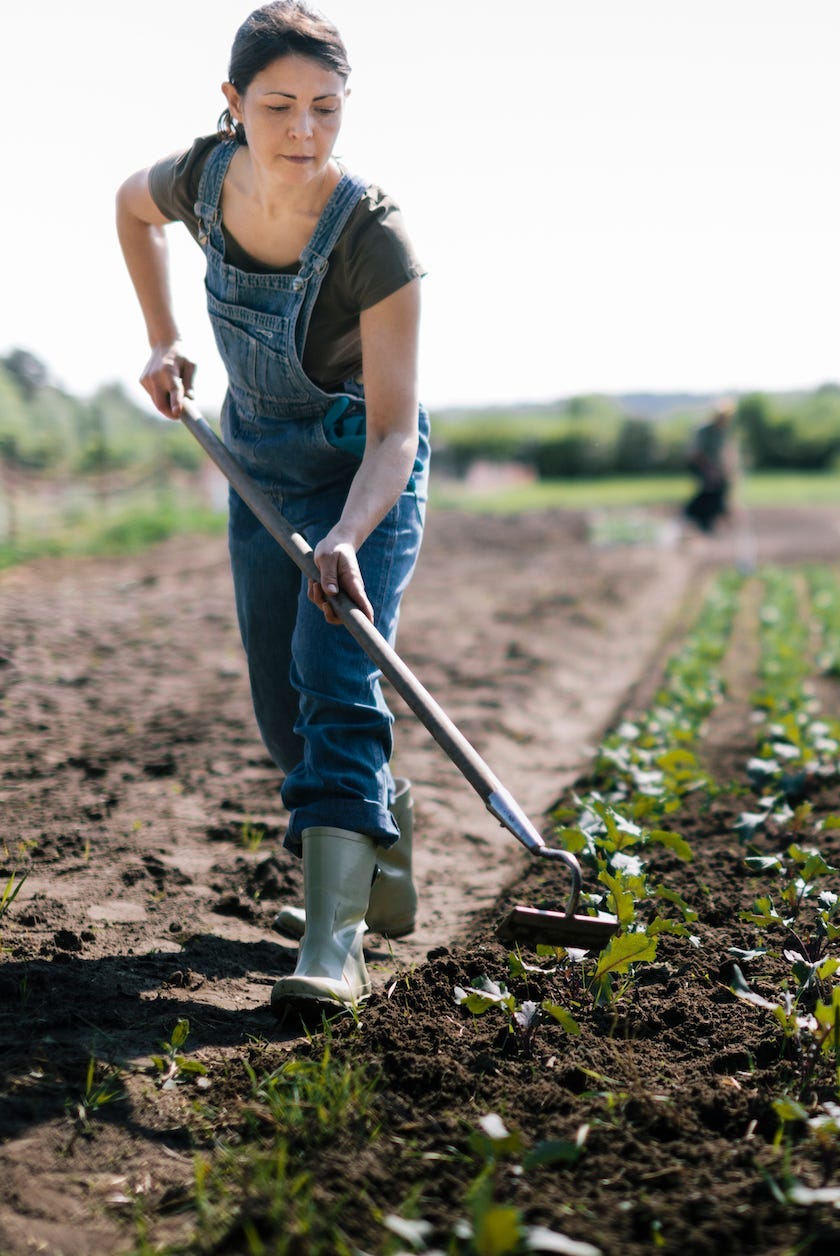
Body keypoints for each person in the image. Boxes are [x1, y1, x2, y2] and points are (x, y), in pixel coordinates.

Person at [116, 1, 427, 1017]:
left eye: (327, 109)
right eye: (281, 106)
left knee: (334, 670)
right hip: (259, 467)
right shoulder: (203, 180)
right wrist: (163, 338)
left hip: (358, 480)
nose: (304, 131)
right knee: (281, 705)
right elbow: (129, 206)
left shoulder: (375, 241)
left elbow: (393, 436)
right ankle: (374, 810)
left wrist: (344, 535)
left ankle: (334, 946)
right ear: (233, 103)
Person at [682, 400, 735, 535]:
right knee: (710, 486)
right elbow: (696, 454)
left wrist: (725, 470)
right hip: (699, 464)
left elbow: (722, 453)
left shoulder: (722, 432)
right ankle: (693, 514)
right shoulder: (704, 431)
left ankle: (712, 515)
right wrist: (709, 470)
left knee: (721, 485)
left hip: (712, 466)